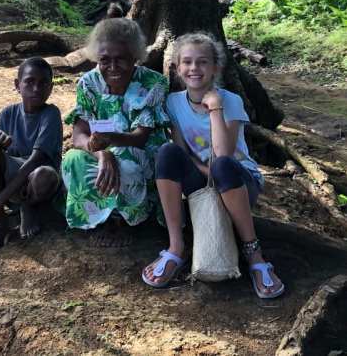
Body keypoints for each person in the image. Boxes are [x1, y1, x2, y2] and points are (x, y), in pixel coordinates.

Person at [142, 32, 284, 299]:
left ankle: (254, 255)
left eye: (202, 62)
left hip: (238, 181)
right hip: (203, 177)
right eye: (187, 62)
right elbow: (182, 153)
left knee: (223, 166)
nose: (194, 68)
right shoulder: (173, 102)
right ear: (177, 68)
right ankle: (175, 247)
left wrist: (216, 107)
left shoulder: (230, 100)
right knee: (167, 152)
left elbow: (223, 153)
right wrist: (205, 171)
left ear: (216, 67)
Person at [61, 18, 169, 247]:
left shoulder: (152, 83)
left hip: (140, 152)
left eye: (120, 59)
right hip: (102, 149)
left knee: (127, 163)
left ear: (135, 56)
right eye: (104, 60)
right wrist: (102, 153)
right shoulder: (89, 83)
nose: (112, 67)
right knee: (72, 159)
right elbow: (79, 132)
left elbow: (141, 137)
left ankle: (126, 220)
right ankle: (101, 218)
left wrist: (110, 142)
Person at [0, 57, 62, 252]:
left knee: (44, 175)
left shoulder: (51, 114)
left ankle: (27, 206)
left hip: (37, 183)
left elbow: (35, 161)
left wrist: (0, 198)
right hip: (14, 177)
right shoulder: (7, 113)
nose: (36, 88)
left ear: (51, 88)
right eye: (29, 81)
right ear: (17, 85)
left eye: (43, 83)